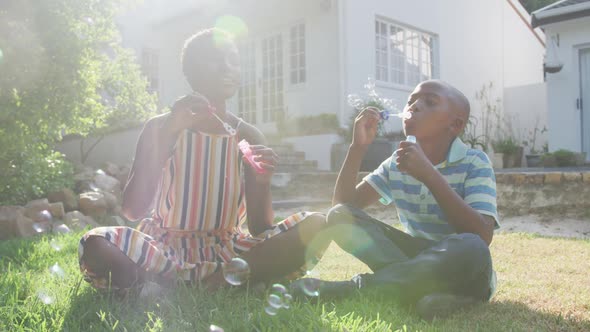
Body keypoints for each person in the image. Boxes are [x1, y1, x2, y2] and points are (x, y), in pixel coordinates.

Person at [78, 28, 329, 296]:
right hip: (164, 249)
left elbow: (260, 228)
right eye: (214, 59)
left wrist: (262, 182)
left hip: (227, 252)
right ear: (191, 71)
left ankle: (201, 284)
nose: (226, 67)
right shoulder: (160, 127)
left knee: (317, 225)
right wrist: (170, 134)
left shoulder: (248, 135)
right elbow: (132, 210)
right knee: (94, 244)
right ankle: (209, 283)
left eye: (233, 59)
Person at [292, 80, 499, 320]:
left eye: (429, 102)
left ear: (455, 124)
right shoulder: (396, 163)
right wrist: (357, 148)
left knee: (472, 246)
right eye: (412, 100)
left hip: (464, 268)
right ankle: (428, 294)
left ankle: (349, 290)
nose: (415, 106)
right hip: (413, 260)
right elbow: (343, 206)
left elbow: (482, 235)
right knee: (339, 217)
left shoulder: (474, 162)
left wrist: (429, 175)